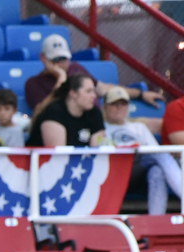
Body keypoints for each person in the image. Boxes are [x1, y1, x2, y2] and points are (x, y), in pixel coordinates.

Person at [25, 34, 163, 114]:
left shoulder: (76, 69)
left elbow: (103, 89)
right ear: (43, 58)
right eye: (55, 60)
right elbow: (41, 112)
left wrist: (140, 94)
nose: (61, 64)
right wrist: (61, 79)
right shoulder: (34, 83)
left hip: (98, 120)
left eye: (64, 59)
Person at [101, 86, 182, 215]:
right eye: (114, 104)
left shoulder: (138, 127)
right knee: (161, 155)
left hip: (139, 173)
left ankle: (155, 223)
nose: (119, 108)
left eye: (123, 104)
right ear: (105, 106)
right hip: (114, 171)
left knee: (157, 170)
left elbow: (154, 152)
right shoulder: (100, 127)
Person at [26, 74, 104, 147]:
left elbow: (97, 150)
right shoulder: (53, 113)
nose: (94, 96)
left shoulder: (94, 113)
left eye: (94, 91)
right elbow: (57, 155)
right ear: (73, 93)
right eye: (88, 91)